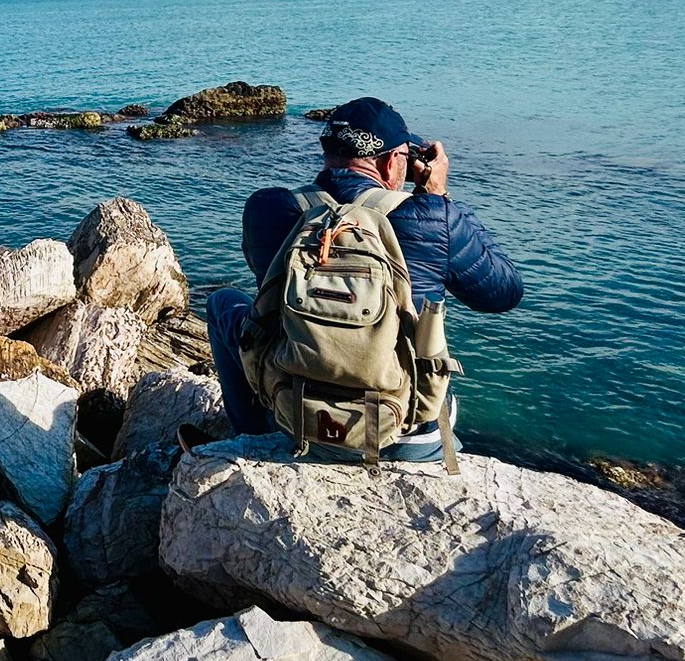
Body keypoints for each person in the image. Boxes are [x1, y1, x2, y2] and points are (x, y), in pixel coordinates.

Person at [208, 96, 522, 460]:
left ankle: (253, 437)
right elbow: (504, 293)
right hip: (406, 436)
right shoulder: (434, 216)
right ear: (392, 162)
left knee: (222, 303)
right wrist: (439, 198)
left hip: (294, 416)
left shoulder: (268, 207)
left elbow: (264, 285)